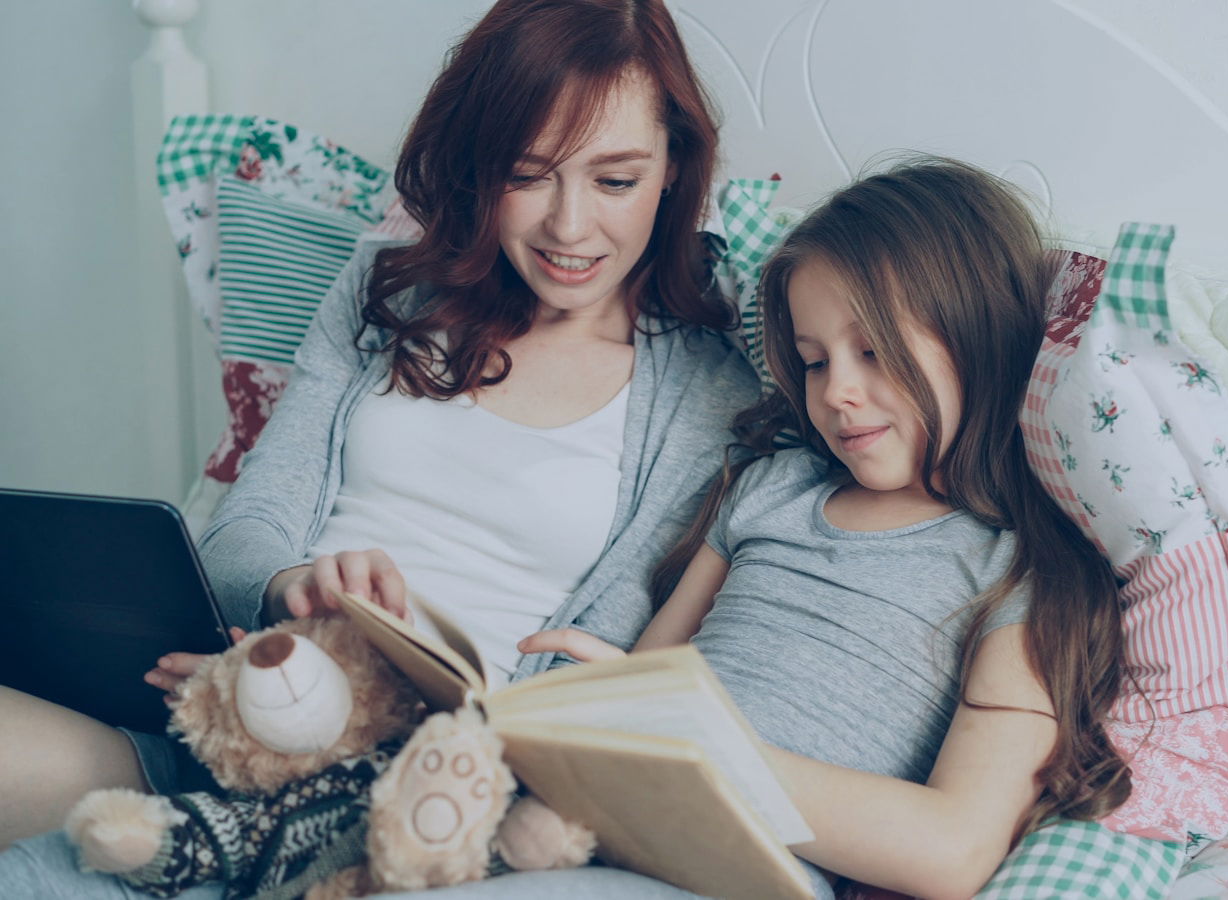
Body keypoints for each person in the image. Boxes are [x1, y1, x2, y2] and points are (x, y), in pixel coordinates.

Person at [0, 0, 757, 871]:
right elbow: (243, 533)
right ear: (477, 167)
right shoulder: (385, 292)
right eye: (528, 173)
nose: (569, 227)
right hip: (250, 718)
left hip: (435, 793)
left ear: (673, 170)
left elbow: (613, 657)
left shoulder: (708, 389)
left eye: (614, 180)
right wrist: (294, 589)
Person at [414, 158, 1133, 899]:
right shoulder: (776, 487)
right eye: (814, 362)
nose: (837, 394)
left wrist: (713, 753)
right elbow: (651, 681)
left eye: (873, 351)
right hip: (622, 831)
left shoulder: (1020, 572)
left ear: (979, 335)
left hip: (745, 873)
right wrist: (587, 709)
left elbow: (952, 850)